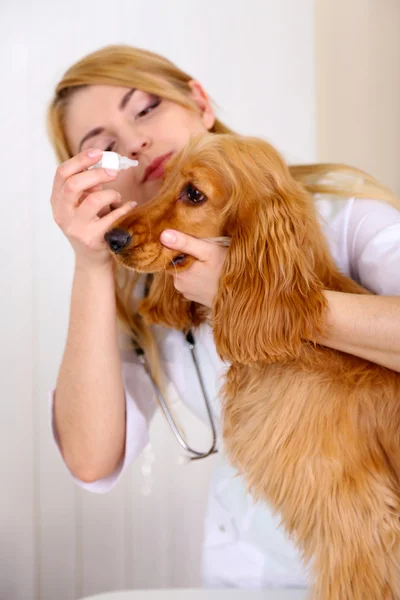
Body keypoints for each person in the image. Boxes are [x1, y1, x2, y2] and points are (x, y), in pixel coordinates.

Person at [48, 44, 400, 589]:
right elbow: (91, 460)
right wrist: (91, 263)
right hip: (236, 578)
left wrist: (254, 295)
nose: (136, 141)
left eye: (145, 109)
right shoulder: (148, 278)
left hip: (364, 568)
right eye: (106, 149)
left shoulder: (345, 219)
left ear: (200, 102)